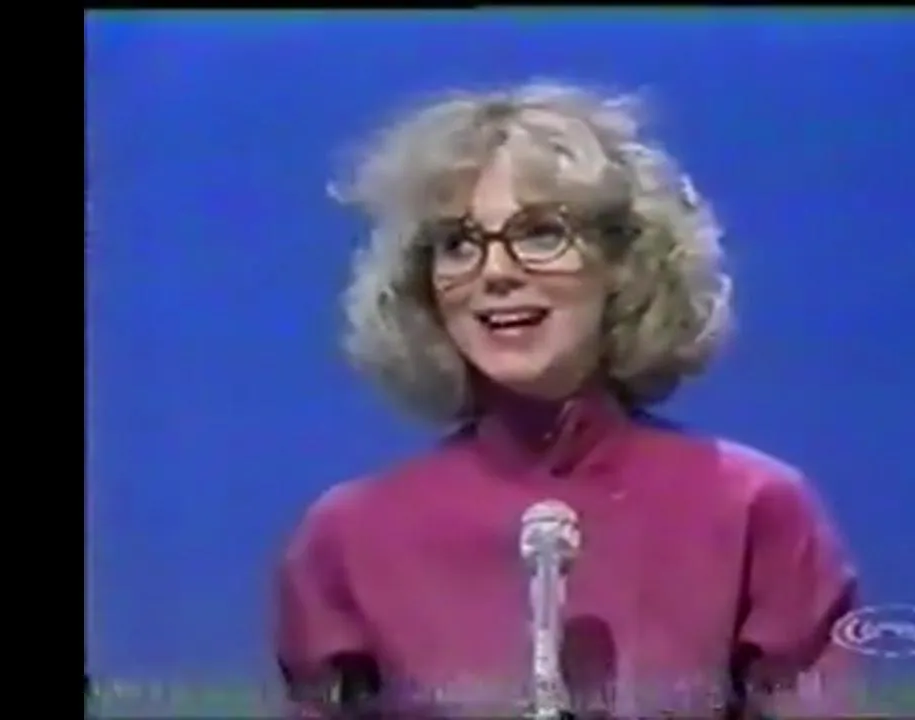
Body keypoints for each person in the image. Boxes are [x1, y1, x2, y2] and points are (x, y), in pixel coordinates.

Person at [274, 81, 860, 719]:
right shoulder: (347, 541)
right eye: (458, 243)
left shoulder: (754, 511)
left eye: (540, 233)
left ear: (623, 264)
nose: (495, 271)